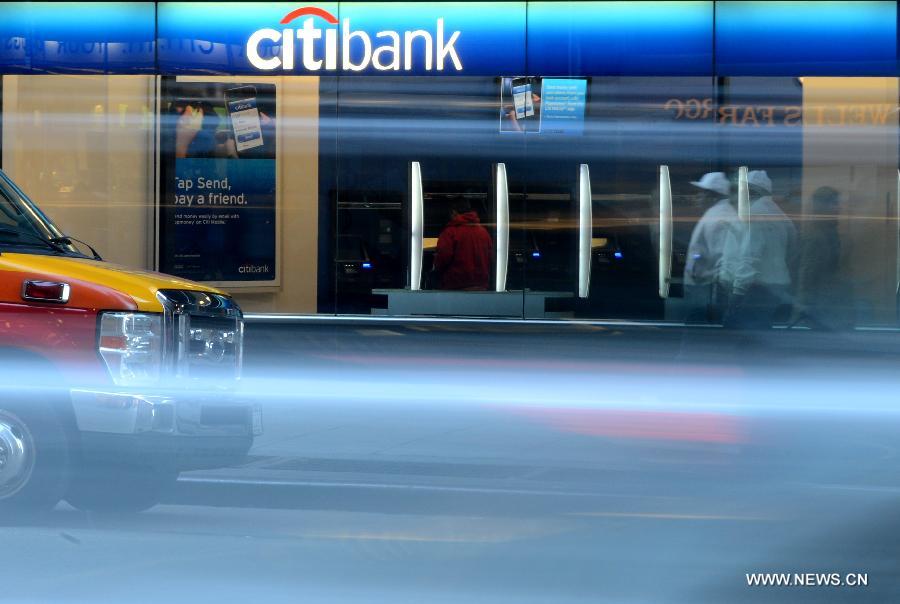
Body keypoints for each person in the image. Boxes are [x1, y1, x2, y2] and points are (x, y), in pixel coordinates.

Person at [725, 170, 798, 329]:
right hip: (778, 287)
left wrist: (737, 293)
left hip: (757, 289)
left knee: (745, 337)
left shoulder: (755, 214)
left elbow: (750, 256)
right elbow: (792, 251)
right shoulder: (781, 215)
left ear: (751, 192)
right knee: (763, 333)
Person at [792, 186, 849, 330]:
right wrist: (803, 305)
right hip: (818, 304)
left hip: (827, 301)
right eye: (834, 204)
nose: (838, 208)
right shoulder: (815, 235)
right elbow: (807, 272)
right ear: (822, 207)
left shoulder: (830, 232)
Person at [683, 172, 736, 323]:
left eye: (701, 193)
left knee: (698, 338)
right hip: (705, 288)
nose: (697, 197)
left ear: (713, 196)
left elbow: (722, 259)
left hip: (707, 291)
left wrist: (717, 294)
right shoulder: (717, 214)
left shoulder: (718, 218)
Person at [433, 199, 493, 291]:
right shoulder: (483, 232)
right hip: (481, 286)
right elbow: (490, 258)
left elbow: (442, 258)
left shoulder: (450, 232)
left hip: (456, 285)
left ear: (453, 212)